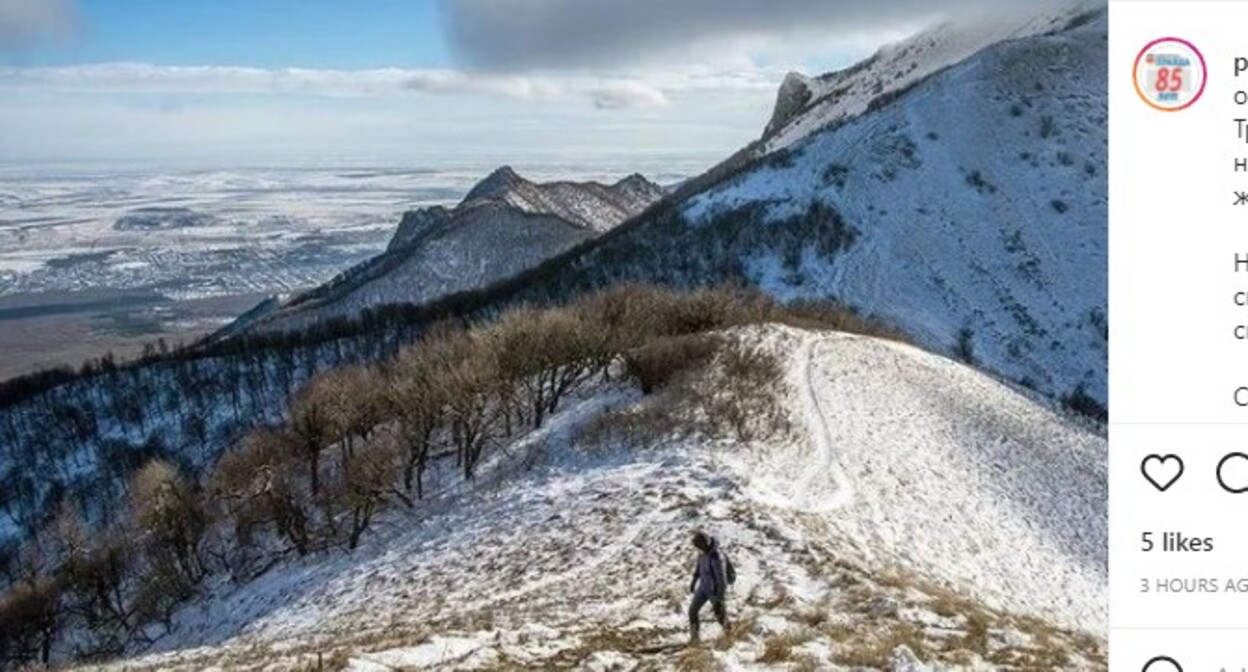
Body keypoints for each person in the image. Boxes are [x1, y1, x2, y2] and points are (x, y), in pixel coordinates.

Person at [687, 530, 730, 644]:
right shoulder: (702, 554)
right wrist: (694, 581)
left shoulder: (717, 557)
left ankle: (730, 635)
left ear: (705, 543)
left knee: (720, 614)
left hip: (714, 591)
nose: (698, 548)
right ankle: (695, 639)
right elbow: (698, 568)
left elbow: (722, 580)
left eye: (699, 545)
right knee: (692, 611)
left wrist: (719, 599)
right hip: (703, 588)